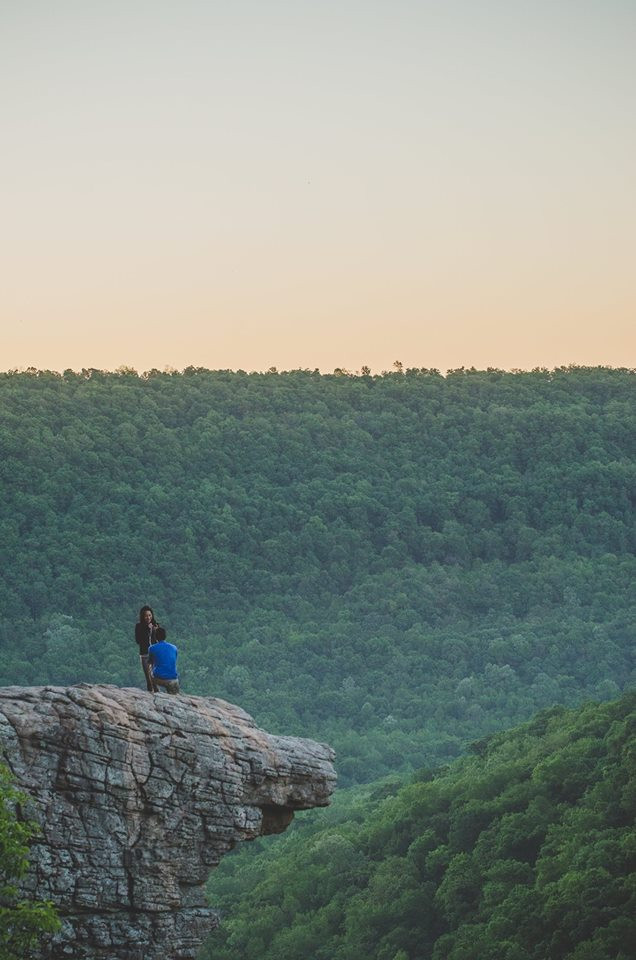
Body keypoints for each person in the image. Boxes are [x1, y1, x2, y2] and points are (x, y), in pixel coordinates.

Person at [147, 627, 180, 695]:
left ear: (156, 637)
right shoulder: (174, 647)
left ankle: (155, 690)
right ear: (165, 636)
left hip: (160, 678)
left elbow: (150, 662)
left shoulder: (152, 648)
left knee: (149, 668)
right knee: (174, 696)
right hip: (174, 679)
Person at [135, 605, 158, 692]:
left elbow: (160, 639)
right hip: (144, 654)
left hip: (154, 654)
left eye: (150, 615)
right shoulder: (139, 626)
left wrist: (155, 630)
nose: (148, 617)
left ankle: (157, 695)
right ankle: (150, 695)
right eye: (146, 615)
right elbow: (138, 640)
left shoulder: (155, 625)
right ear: (142, 616)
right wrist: (146, 630)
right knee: (148, 678)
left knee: (154, 677)